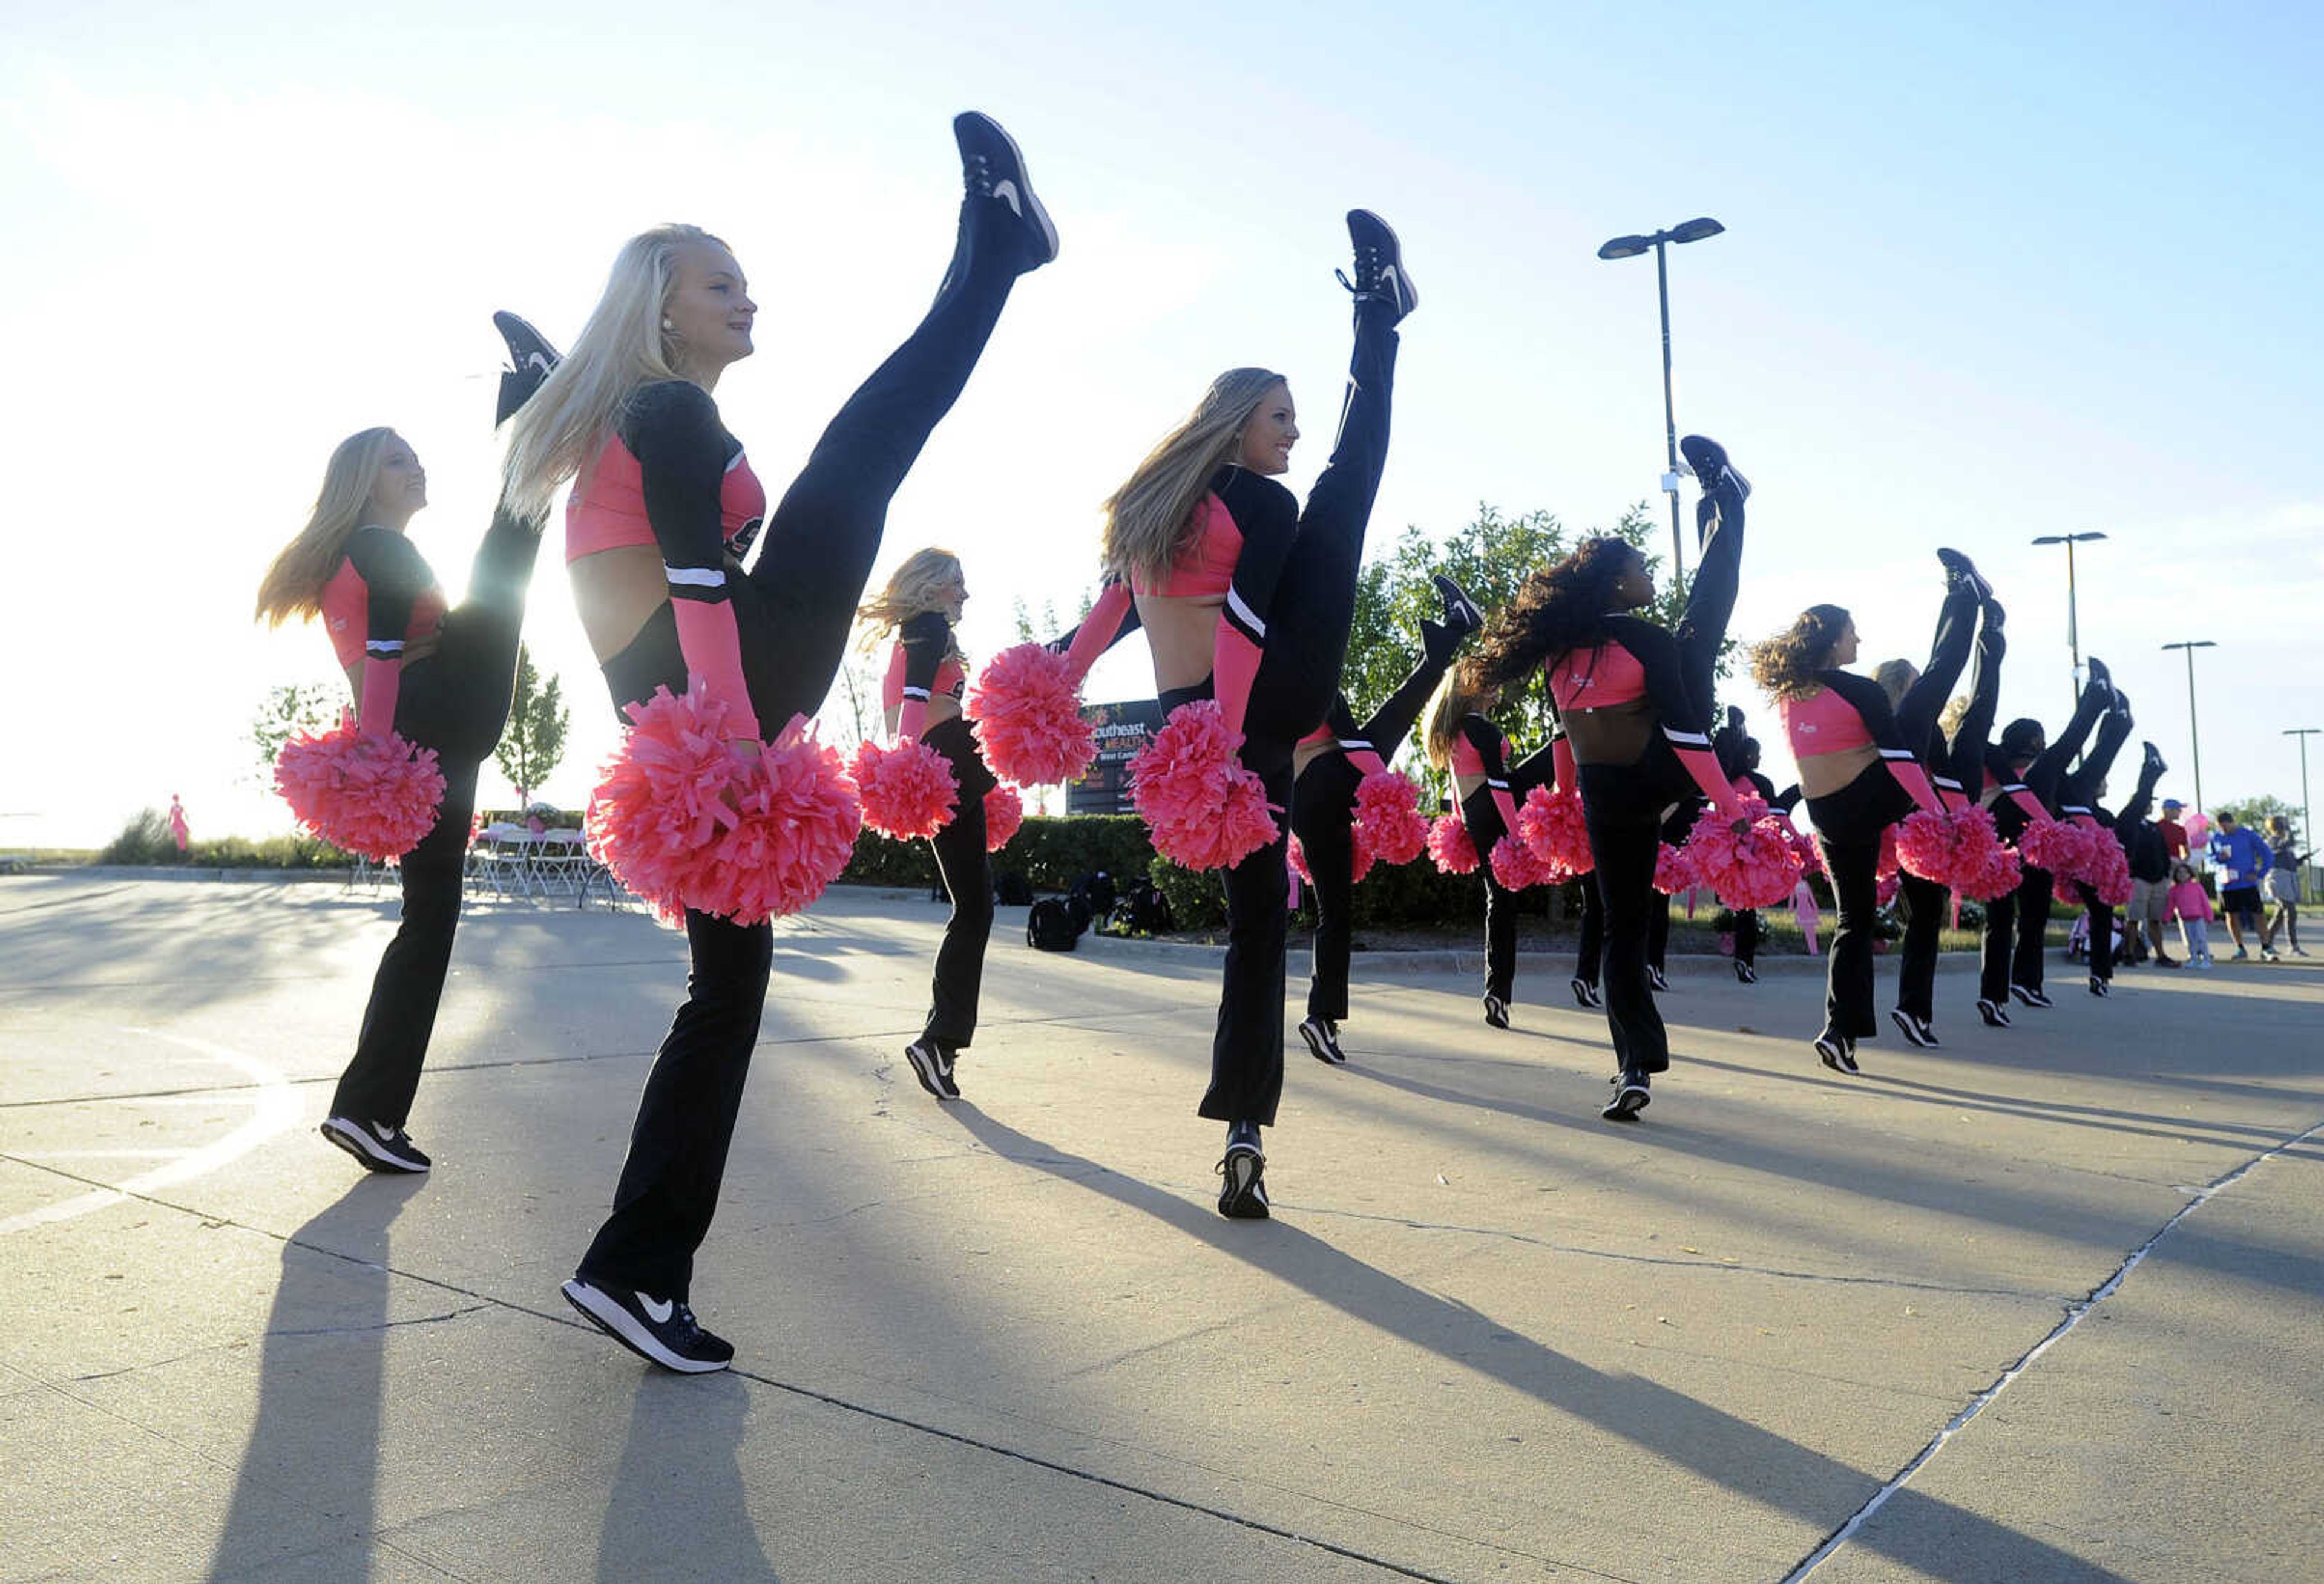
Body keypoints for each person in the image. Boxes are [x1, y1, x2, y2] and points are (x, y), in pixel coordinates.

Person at [504, 113, 1057, 1372]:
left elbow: (673, 577)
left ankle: (634, 1267)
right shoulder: (666, 411)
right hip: (709, 695)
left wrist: (706, 753)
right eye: (721, 283)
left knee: (727, 994)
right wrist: (734, 754)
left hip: (670, 706)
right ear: (663, 307)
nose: (748, 298)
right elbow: (701, 585)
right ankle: (992, 254)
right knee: (868, 448)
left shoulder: (636, 416)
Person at [1099, 211, 1417, 1218]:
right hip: (1254, 711)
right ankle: (1381, 315)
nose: (1291, 428)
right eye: (1280, 414)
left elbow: (1105, 615)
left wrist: (1050, 688)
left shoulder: (1148, 508)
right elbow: (1242, 619)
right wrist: (1238, 746)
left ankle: (1245, 1131)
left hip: (1181, 724)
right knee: (1351, 478)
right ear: (1237, 421)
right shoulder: (1262, 506)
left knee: (1255, 928)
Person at [257, 326, 551, 1174]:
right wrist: (382, 757)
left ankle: (369, 1109)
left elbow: (378, 656)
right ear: (362, 480)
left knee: (429, 922)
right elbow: (383, 656)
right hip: (440, 712)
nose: (415, 468)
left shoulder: (354, 549)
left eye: (416, 457)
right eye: (397, 461)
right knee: (508, 549)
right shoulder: (377, 544)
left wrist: (382, 755)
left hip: (432, 721)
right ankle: (535, 397)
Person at [1472, 435, 1750, 1121]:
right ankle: (1728, 504)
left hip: (1606, 792)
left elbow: (1567, 738)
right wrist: (1729, 805)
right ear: (1617, 582)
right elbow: (1686, 731)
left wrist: (1567, 802)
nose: (1649, 575)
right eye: (1640, 567)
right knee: (1705, 619)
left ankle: (1633, 1062)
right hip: (1653, 773)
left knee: (1621, 930)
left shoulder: (1559, 653)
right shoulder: (1642, 639)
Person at [1750, 555, 1977, 1073]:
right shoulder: (1860, 689)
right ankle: (1963, 595)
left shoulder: (1791, 692)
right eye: (1852, 633)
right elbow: (1899, 758)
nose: (1859, 642)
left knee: (1853, 921)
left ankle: (1839, 1031)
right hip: (1870, 798)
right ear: (1832, 640)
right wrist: (1937, 813)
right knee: (1934, 685)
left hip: (1827, 817)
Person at [1291, 575, 1479, 1063]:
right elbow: (1354, 742)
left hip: (1302, 800)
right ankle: (1447, 643)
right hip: (1327, 777)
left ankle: (1322, 1016)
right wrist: (1387, 789)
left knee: (1334, 912)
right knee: (1386, 727)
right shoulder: (1306, 667)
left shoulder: (1265, 667)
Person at [861, 549, 997, 1099]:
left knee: (974, 903)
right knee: (975, 905)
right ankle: (938, 1041)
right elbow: (913, 698)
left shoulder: (920, 629)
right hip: (943, 761)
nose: (964, 593)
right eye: (955, 582)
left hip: (941, 762)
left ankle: (941, 1041)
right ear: (929, 586)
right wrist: (906, 763)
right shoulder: (927, 625)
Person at [1865, 554, 1997, 1049]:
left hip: (1876, 822)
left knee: (1862, 922)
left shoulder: (1868, 718)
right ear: (1908, 688)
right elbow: (1944, 666)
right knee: (1923, 921)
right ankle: (1912, 1007)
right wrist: (1954, 819)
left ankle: (1850, 1021)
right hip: (1917, 826)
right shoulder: (1915, 722)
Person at [1977, 661, 2113, 1023]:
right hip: (2016, 841)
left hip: (2019, 847)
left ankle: (2015, 988)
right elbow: (2042, 790)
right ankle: (2096, 696)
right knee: (2018, 919)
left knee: (2014, 920)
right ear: (2034, 742)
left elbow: (2072, 805)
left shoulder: (2040, 770)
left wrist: (2095, 836)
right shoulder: (2002, 759)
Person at [1425, 663, 1531, 1030]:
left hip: (1473, 813)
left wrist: (1460, 822)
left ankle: (1497, 992)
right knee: (1504, 903)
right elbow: (1500, 786)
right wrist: (1518, 834)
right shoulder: (1481, 729)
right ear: (1476, 689)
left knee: (1497, 900)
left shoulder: (1454, 731)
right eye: (1491, 682)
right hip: (1491, 808)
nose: (1497, 685)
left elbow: (1457, 785)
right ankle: (1498, 992)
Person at [2121, 784, 2179, 969]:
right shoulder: (2127, 826)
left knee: (2155, 919)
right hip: (2138, 878)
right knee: (2133, 918)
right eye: (2147, 802)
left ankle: (2161, 955)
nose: (2150, 806)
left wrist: (2165, 871)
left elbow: (2163, 851)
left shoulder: (2154, 828)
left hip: (2158, 879)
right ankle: (2129, 954)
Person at [2206, 810, 2272, 960]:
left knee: (2258, 915)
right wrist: (2218, 858)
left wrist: (2259, 874)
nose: (2223, 830)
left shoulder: (2248, 835)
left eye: (2225, 827)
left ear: (2232, 822)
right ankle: (2240, 948)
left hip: (2247, 883)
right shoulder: (2215, 838)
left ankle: (2266, 947)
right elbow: (2209, 859)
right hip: (2226, 885)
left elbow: (2267, 854)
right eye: (2220, 827)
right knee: (2231, 915)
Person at [2262, 814, 2306, 957]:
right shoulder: (2271, 841)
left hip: (2288, 877)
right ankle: (2293, 946)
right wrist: (2288, 829)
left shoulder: (2283, 842)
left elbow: (2287, 857)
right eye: (2283, 824)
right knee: (2291, 911)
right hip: (2278, 879)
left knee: (2280, 915)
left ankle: (2267, 943)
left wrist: (2299, 861)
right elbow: (2286, 844)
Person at [2167, 860, 2215, 967]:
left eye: (2185, 872)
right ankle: (2193, 958)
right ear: (2176, 875)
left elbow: (2205, 902)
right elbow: (2170, 906)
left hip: (2198, 918)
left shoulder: (2197, 887)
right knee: (2191, 941)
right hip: (2185, 919)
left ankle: (2206, 959)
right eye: (2179, 872)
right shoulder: (2174, 890)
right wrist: (2167, 917)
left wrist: (2209, 916)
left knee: (2201, 939)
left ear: (2190, 874)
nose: (2182, 875)